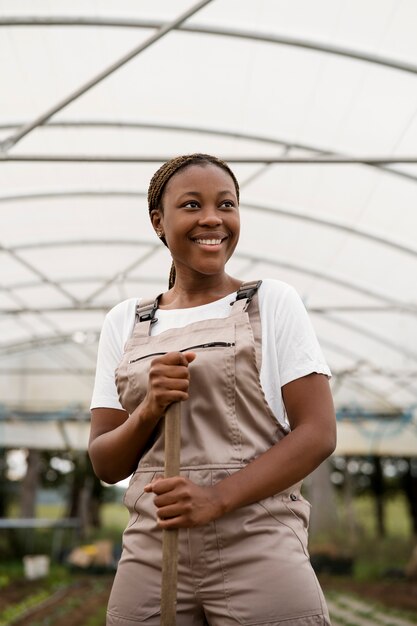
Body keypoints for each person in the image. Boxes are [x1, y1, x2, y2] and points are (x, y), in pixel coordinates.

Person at [89, 153, 336, 626]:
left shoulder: (270, 303)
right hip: (153, 548)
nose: (212, 218)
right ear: (158, 221)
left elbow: (318, 433)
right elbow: (106, 462)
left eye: (226, 204)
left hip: (258, 543)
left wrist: (216, 499)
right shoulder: (126, 321)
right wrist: (148, 408)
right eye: (191, 205)